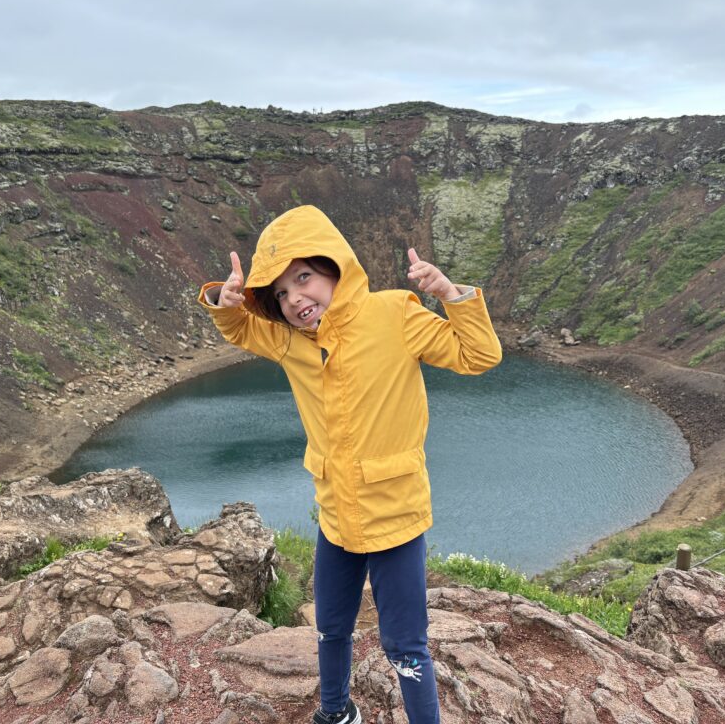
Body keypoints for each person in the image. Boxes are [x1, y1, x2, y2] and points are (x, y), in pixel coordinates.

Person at [198, 205, 502, 724]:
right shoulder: (293, 341)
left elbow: (478, 355)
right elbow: (242, 332)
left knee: (405, 646)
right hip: (336, 515)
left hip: (396, 517)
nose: (297, 299)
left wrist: (452, 296)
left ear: (335, 267)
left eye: (304, 277)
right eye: (282, 295)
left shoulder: (396, 313)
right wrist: (225, 304)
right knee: (330, 627)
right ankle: (336, 713)